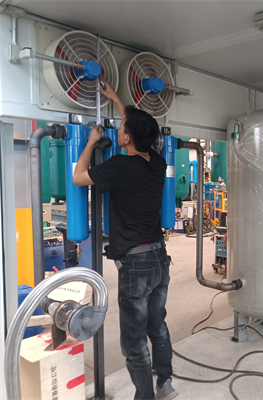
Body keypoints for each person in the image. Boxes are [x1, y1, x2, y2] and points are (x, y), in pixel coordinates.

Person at [73, 80, 178, 400]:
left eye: (121, 128)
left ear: (127, 138)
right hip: (159, 258)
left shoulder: (118, 166)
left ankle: (145, 397)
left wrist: (90, 143)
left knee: (133, 341)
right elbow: (136, 125)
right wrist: (116, 99)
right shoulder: (158, 163)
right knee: (156, 324)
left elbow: (78, 177)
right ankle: (165, 384)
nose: (119, 129)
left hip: (136, 264)